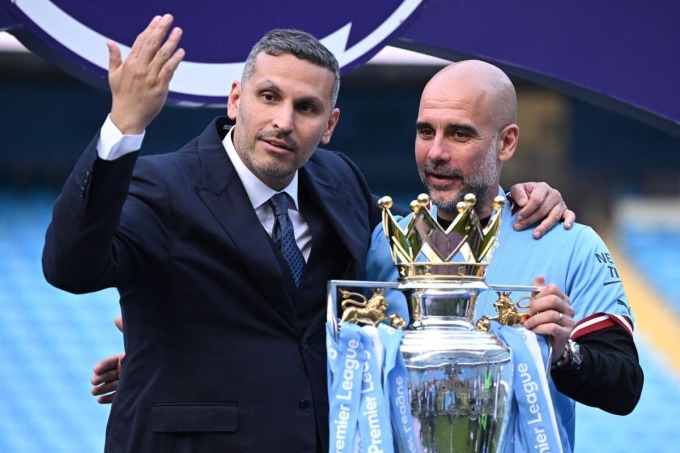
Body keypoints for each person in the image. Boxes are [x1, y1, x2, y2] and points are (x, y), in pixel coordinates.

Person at [45, 14, 571, 452]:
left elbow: (410, 256)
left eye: (306, 108)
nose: (283, 120)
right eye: (268, 96)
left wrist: (512, 196)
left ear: (330, 124)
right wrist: (123, 127)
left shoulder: (339, 181)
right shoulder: (159, 186)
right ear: (235, 100)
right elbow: (69, 265)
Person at [365, 60, 644, 452]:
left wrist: (564, 352)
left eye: (460, 134)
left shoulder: (570, 244)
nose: (436, 152)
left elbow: (624, 387)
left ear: (507, 142)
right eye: (425, 131)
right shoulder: (380, 241)